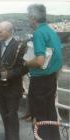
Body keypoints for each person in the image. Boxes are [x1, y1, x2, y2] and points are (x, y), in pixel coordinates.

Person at [24, 4, 63, 140]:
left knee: (39, 120)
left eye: (28, 16)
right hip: (51, 80)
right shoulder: (51, 32)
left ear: (33, 17)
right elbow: (59, 60)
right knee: (50, 116)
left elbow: (40, 61)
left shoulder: (38, 33)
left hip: (39, 83)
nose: (28, 19)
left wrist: (26, 63)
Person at [0, 21, 28, 140]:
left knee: (12, 116)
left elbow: (25, 68)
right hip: (0, 88)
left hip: (13, 88)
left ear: (8, 31)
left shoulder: (20, 46)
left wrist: (9, 74)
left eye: (0, 31)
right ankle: (8, 137)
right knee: (4, 116)